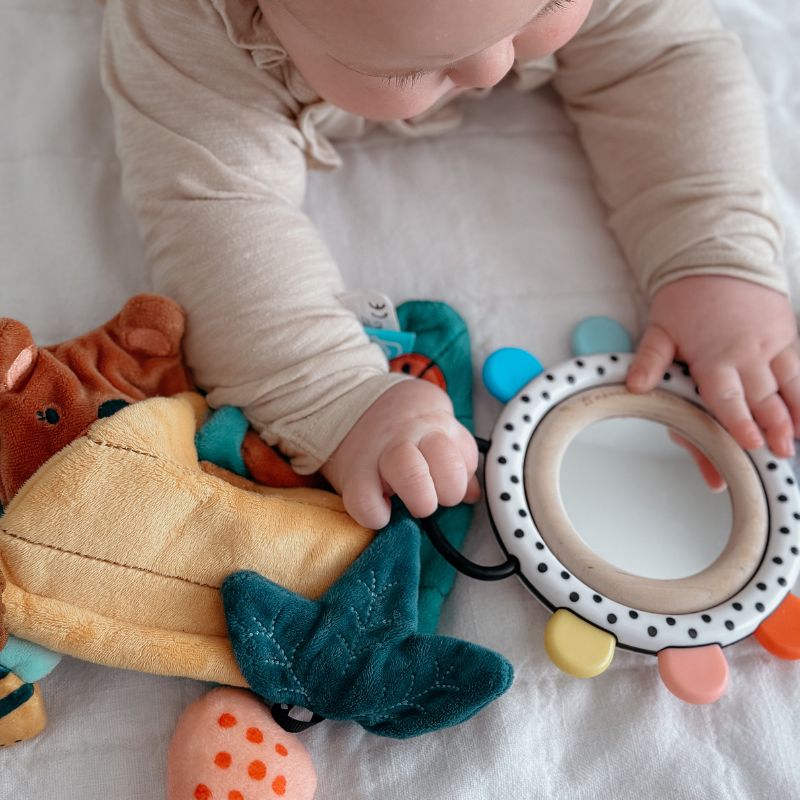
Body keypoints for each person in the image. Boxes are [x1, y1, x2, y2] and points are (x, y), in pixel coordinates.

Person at [101, 0, 800, 529]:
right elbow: (215, 211)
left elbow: (661, 62)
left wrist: (714, 259)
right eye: (405, 69)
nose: (493, 67)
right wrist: (334, 397)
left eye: (550, 4)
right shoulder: (185, 25)